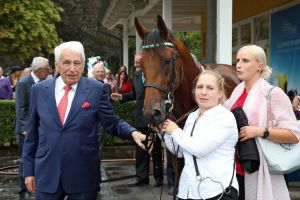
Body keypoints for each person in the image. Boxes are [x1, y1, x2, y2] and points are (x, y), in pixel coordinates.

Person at [22, 41, 146, 200]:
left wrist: (133, 133)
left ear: (83, 66)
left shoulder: (95, 90)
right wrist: (28, 171)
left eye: (77, 63)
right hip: (47, 173)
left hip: (83, 174)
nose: (72, 68)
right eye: (66, 63)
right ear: (57, 65)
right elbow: (31, 135)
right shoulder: (39, 90)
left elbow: (112, 122)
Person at [225, 44, 300, 200]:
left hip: (259, 169)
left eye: (245, 60)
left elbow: (294, 135)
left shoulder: (273, 94)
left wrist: (260, 131)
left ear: (260, 66)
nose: (238, 65)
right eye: (237, 60)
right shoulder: (236, 92)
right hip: (234, 170)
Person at [161, 70, 239, 200]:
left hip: (217, 192)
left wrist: (175, 130)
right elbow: (180, 151)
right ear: (194, 91)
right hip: (189, 191)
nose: (203, 92)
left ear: (220, 93)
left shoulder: (225, 118)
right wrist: (164, 132)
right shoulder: (192, 117)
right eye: (199, 87)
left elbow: (199, 149)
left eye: (210, 88)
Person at [111, 54, 163, 187]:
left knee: (156, 149)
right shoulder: (136, 75)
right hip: (140, 118)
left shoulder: (155, 73)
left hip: (153, 118)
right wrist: (122, 96)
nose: (135, 65)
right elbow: (134, 94)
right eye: (135, 63)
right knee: (141, 149)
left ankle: (159, 179)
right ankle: (142, 178)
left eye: (138, 62)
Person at [15, 56, 50, 199]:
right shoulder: (24, 82)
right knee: (26, 159)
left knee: (38, 157)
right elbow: (20, 108)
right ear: (40, 70)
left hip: (38, 128)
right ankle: (23, 191)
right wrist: (25, 129)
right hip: (25, 130)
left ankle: (37, 187)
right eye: (47, 68)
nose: (50, 70)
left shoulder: (44, 82)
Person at [91, 62, 112, 168]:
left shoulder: (107, 86)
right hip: (89, 123)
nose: (100, 73)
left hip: (101, 124)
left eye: (102, 72)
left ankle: (95, 171)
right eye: (98, 71)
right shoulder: (88, 85)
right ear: (93, 73)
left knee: (99, 148)